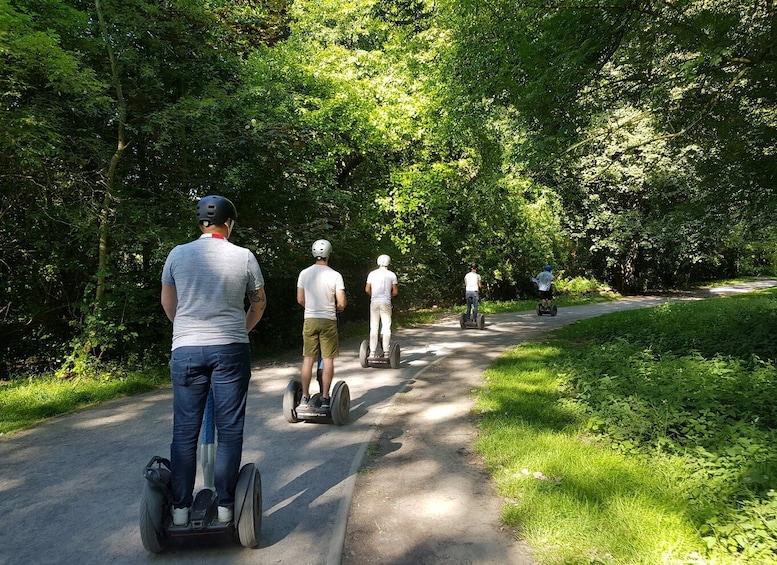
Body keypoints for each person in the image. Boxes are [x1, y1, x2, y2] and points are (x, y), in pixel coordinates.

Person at [160, 194, 267, 527]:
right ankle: (224, 506)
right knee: (230, 430)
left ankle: (178, 509)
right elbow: (258, 303)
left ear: (200, 223)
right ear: (229, 223)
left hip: (186, 350)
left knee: (184, 433)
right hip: (231, 349)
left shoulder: (177, 254)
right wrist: (240, 330)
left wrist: (187, 331)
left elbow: (168, 303)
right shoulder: (244, 257)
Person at [296, 239, 347, 410]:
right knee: (328, 359)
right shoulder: (335, 275)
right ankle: (325, 398)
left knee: (308, 359)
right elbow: (341, 303)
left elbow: (300, 299)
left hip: (310, 319)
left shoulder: (304, 273)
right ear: (329, 254)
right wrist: (335, 309)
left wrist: (312, 307)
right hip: (328, 320)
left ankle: (304, 397)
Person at [365, 254, 399, 356]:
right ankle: (386, 352)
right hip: (386, 302)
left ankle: (372, 352)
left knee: (374, 327)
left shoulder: (372, 274)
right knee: (386, 326)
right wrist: (390, 296)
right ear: (388, 263)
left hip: (374, 302)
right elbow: (395, 291)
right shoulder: (392, 275)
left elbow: (367, 289)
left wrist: (374, 295)